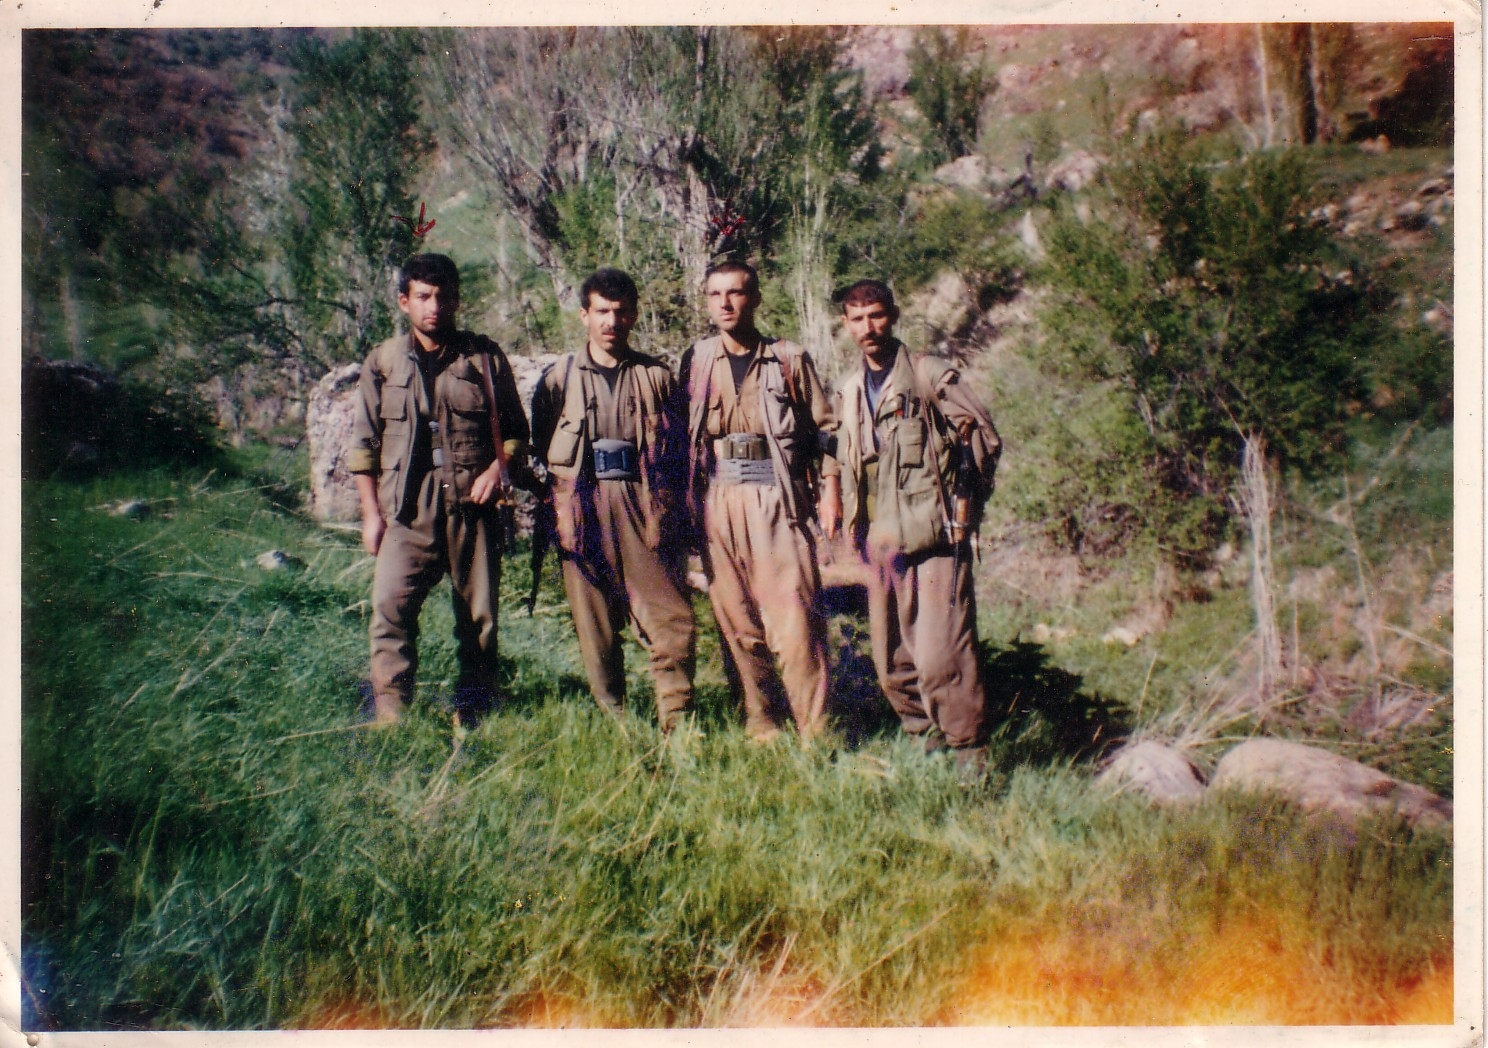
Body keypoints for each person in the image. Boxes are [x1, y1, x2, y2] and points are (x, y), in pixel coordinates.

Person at [828, 279, 1001, 779]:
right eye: (858, 319)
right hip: (881, 546)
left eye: (877, 316)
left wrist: (964, 502)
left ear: (894, 315)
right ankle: (928, 750)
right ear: (846, 324)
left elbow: (984, 436)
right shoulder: (849, 390)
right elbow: (841, 456)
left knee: (943, 657)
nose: (869, 328)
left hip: (936, 541)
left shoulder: (928, 375)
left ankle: (970, 760)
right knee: (892, 665)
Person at [348, 253, 529, 725]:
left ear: (456, 300)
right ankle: (393, 714)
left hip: (472, 503)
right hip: (406, 508)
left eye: (444, 297)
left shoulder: (484, 358)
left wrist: (498, 469)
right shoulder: (383, 362)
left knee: (478, 617)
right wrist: (371, 516)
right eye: (423, 297)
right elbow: (364, 445)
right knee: (390, 608)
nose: (434, 307)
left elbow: (516, 433)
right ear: (403, 301)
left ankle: (476, 711)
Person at [530, 268, 696, 732]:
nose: (611, 322)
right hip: (582, 506)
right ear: (584, 314)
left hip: (644, 505)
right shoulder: (558, 379)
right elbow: (542, 445)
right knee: (595, 622)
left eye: (621, 312)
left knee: (670, 619)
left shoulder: (657, 377)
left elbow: (679, 450)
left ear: (634, 315)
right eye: (602, 311)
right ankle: (615, 720)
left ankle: (678, 722)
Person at [679, 260, 839, 743]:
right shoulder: (696, 360)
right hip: (718, 498)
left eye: (736, 293)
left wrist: (830, 490)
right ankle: (762, 723)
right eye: (715, 294)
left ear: (755, 298)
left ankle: (816, 732)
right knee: (737, 620)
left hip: (777, 498)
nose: (725, 303)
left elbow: (826, 430)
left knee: (794, 621)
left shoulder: (787, 358)